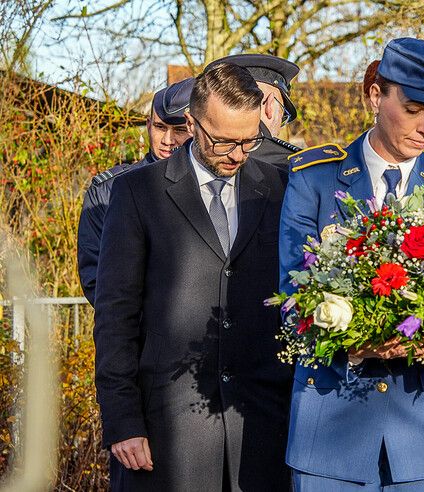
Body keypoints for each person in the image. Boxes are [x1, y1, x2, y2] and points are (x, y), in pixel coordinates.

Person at [279, 37, 424, 491]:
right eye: (413, 109)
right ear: (376, 95)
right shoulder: (314, 177)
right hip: (331, 436)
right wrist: (354, 346)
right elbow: (290, 303)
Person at [94, 63, 292, 491]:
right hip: (169, 435)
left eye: (249, 139)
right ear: (191, 122)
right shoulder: (137, 193)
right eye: (223, 141)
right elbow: (115, 316)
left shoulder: (281, 188)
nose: (237, 154)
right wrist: (122, 419)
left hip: (261, 429)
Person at [77, 77, 194, 305]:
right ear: (149, 125)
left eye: (178, 130)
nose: (167, 140)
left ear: (193, 128)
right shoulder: (107, 189)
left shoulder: (212, 185)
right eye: (160, 127)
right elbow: (95, 278)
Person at [205, 54, 302, 168]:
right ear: (269, 105)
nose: (280, 128)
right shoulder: (292, 164)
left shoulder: (196, 151)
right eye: (282, 116)